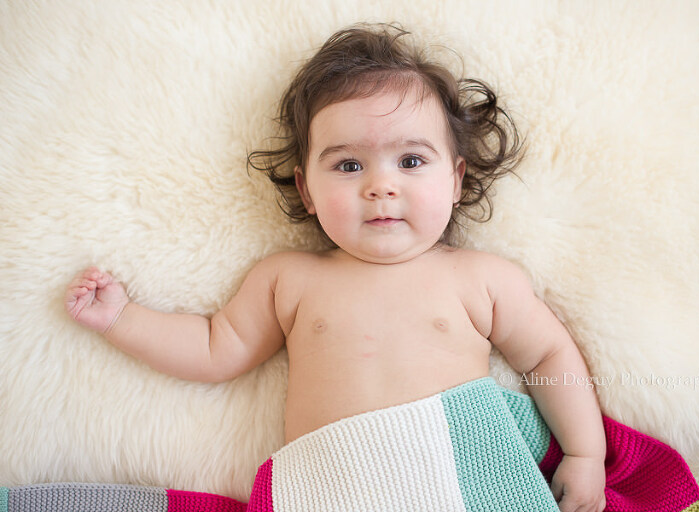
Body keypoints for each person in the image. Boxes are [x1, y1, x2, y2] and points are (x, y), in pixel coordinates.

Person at [65, 23, 606, 512]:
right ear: (307, 190)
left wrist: (584, 453)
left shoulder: (483, 278)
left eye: (411, 161)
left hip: (459, 480)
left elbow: (549, 354)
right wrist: (122, 318)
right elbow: (214, 347)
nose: (381, 185)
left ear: (457, 179)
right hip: (334, 488)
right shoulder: (289, 279)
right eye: (348, 165)